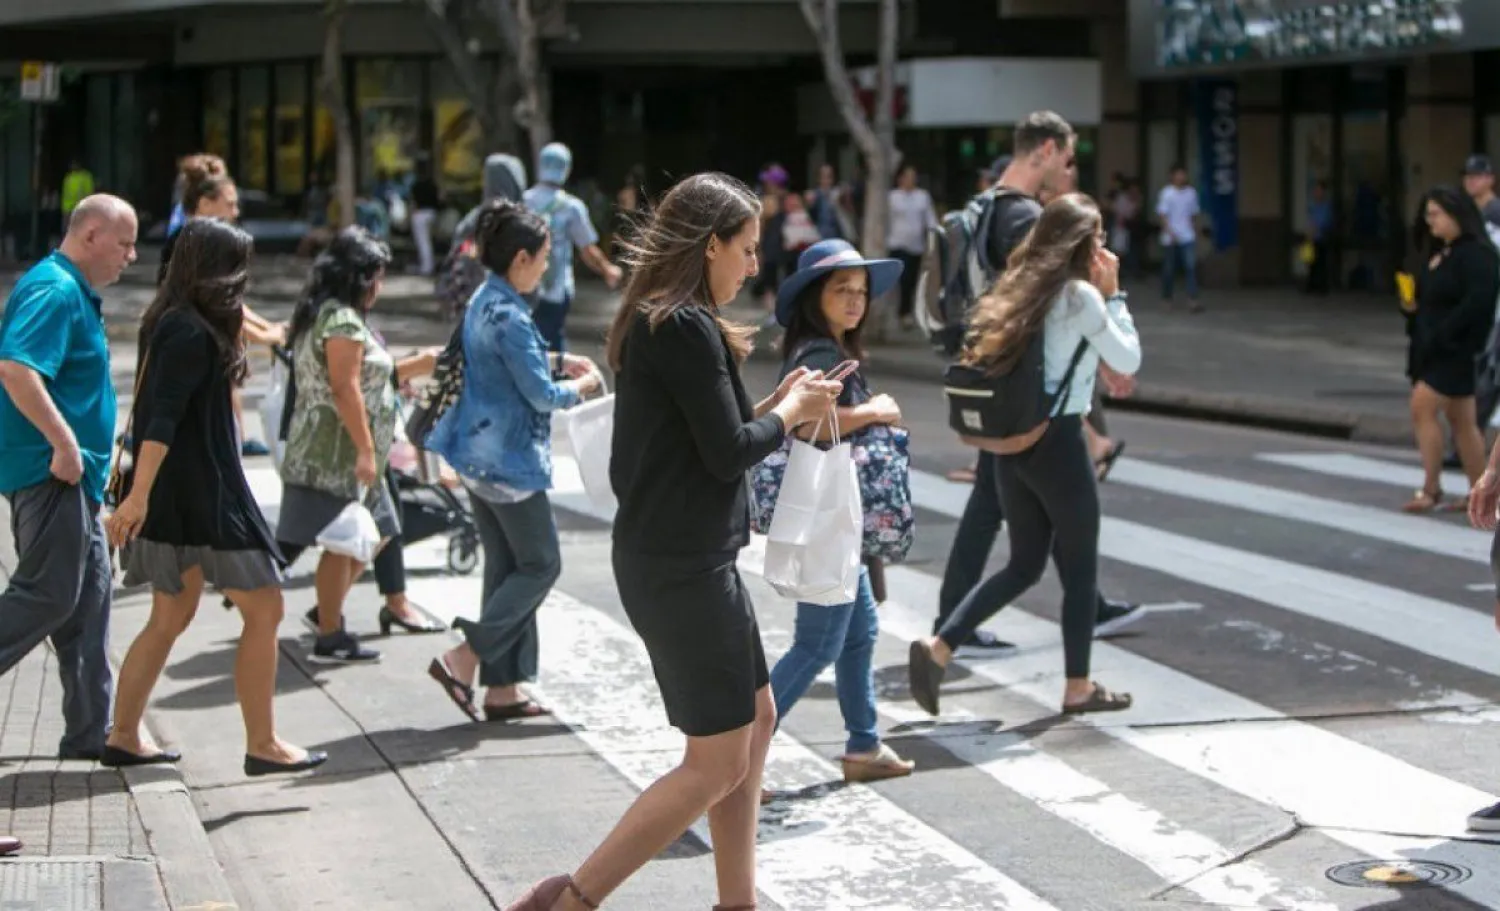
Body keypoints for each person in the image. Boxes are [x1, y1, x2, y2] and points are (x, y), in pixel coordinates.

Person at [502, 173, 840, 911]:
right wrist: (790, 415)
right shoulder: (682, 324)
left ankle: (737, 900)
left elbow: (706, 434)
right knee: (717, 758)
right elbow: (726, 451)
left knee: (756, 722)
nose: (755, 265)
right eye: (747, 249)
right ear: (710, 243)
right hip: (682, 566)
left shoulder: (669, 319)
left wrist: (783, 403)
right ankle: (571, 899)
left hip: (686, 557)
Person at [103, 218, 328, 776]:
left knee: (170, 614)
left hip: (188, 490)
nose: (245, 279)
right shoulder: (186, 329)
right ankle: (263, 743)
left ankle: (125, 733)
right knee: (266, 606)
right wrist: (137, 500)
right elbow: (161, 421)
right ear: (218, 272)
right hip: (202, 493)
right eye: (239, 267)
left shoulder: (179, 320)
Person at [909, 193, 1142, 718]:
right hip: (1059, 442)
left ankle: (939, 646)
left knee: (1024, 564)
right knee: (1080, 570)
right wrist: (1117, 294)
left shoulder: (1019, 287)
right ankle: (1078, 687)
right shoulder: (1081, 296)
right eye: (1100, 238)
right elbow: (1129, 356)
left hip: (1014, 444)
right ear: (1082, 244)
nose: (1105, 249)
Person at [935, 112, 1141, 652]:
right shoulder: (1026, 218)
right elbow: (1058, 322)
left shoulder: (982, 208)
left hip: (1000, 382)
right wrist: (1106, 314)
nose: (1069, 173)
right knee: (1053, 535)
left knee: (1006, 526)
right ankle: (1074, 644)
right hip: (1029, 398)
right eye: (1068, 160)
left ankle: (949, 629)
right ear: (1045, 151)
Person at [424, 200, 601, 722]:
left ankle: (503, 689)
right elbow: (544, 396)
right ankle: (464, 657)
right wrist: (583, 384)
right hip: (508, 464)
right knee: (542, 564)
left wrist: (555, 359)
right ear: (521, 258)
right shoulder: (511, 315)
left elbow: (507, 361)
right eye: (545, 257)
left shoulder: (485, 299)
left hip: (478, 460)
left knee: (505, 571)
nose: (547, 267)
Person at [764, 238, 915, 791]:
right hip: (827, 515)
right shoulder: (822, 355)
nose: (855, 301)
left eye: (860, 291)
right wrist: (874, 410)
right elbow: (804, 423)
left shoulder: (824, 346)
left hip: (835, 515)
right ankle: (737, 754)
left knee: (857, 633)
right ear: (814, 296)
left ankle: (863, 743)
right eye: (841, 290)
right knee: (818, 642)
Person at [0, 195, 135, 767]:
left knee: (89, 607)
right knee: (51, 596)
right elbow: (15, 368)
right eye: (124, 243)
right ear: (91, 235)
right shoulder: (54, 290)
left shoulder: (69, 290)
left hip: (71, 480)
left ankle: (90, 732)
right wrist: (63, 443)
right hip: (50, 475)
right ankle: (91, 729)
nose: (131, 256)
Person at [276, 228, 403, 664]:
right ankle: (329, 632)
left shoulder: (323, 314)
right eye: (378, 278)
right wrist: (366, 450)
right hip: (337, 453)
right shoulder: (342, 321)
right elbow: (344, 388)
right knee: (346, 542)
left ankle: (325, 611)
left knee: (379, 531)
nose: (381, 288)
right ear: (361, 278)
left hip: (338, 448)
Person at [1401, 186, 1499, 514]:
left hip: (1454, 347)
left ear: (1457, 215)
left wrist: (1446, 334)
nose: (1430, 222)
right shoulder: (1442, 252)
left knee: (1422, 407)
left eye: (1436, 215)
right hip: (1431, 345)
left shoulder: (1477, 255)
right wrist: (1411, 308)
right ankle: (1480, 492)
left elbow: (1478, 303)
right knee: (1462, 420)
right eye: (1427, 215)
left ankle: (1431, 489)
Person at [523, 142, 624, 356]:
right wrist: (608, 270)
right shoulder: (571, 207)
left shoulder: (524, 201)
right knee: (553, 344)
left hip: (526, 286)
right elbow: (587, 250)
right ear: (566, 169)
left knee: (529, 340)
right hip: (557, 288)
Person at [887, 163, 937, 332]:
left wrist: (934, 236)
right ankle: (902, 312)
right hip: (897, 243)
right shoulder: (892, 197)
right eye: (907, 176)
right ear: (900, 178)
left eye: (913, 177)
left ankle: (906, 311)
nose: (911, 180)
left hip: (916, 246)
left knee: (912, 280)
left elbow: (930, 219)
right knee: (903, 278)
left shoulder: (922, 196)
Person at [1156, 163, 1202, 312]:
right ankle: (1166, 298)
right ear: (1172, 176)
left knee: (1190, 267)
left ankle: (1192, 300)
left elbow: (1194, 214)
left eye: (1183, 174)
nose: (1181, 177)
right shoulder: (1167, 193)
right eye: (1178, 174)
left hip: (1187, 235)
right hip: (1170, 237)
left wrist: (1194, 232)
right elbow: (1162, 215)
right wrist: (1170, 232)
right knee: (1169, 270)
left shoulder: (1191, 193)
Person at [410, 160, 441, 276]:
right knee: (429, 241)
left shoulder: (415, 185)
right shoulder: (432, 184)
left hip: (420, 214)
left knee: (422, 241)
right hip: (432, 213)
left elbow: (413, 202)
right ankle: (429, 264)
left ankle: (427, 266)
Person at [61, 160, 96, 227]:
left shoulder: (85, 176)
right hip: (68, 208)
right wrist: (64, 209)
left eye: (75, 164)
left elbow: (89, 191)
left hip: (81, 207)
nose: (74, 166)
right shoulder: (68, 177)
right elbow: (65, 193)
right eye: (72, 165)